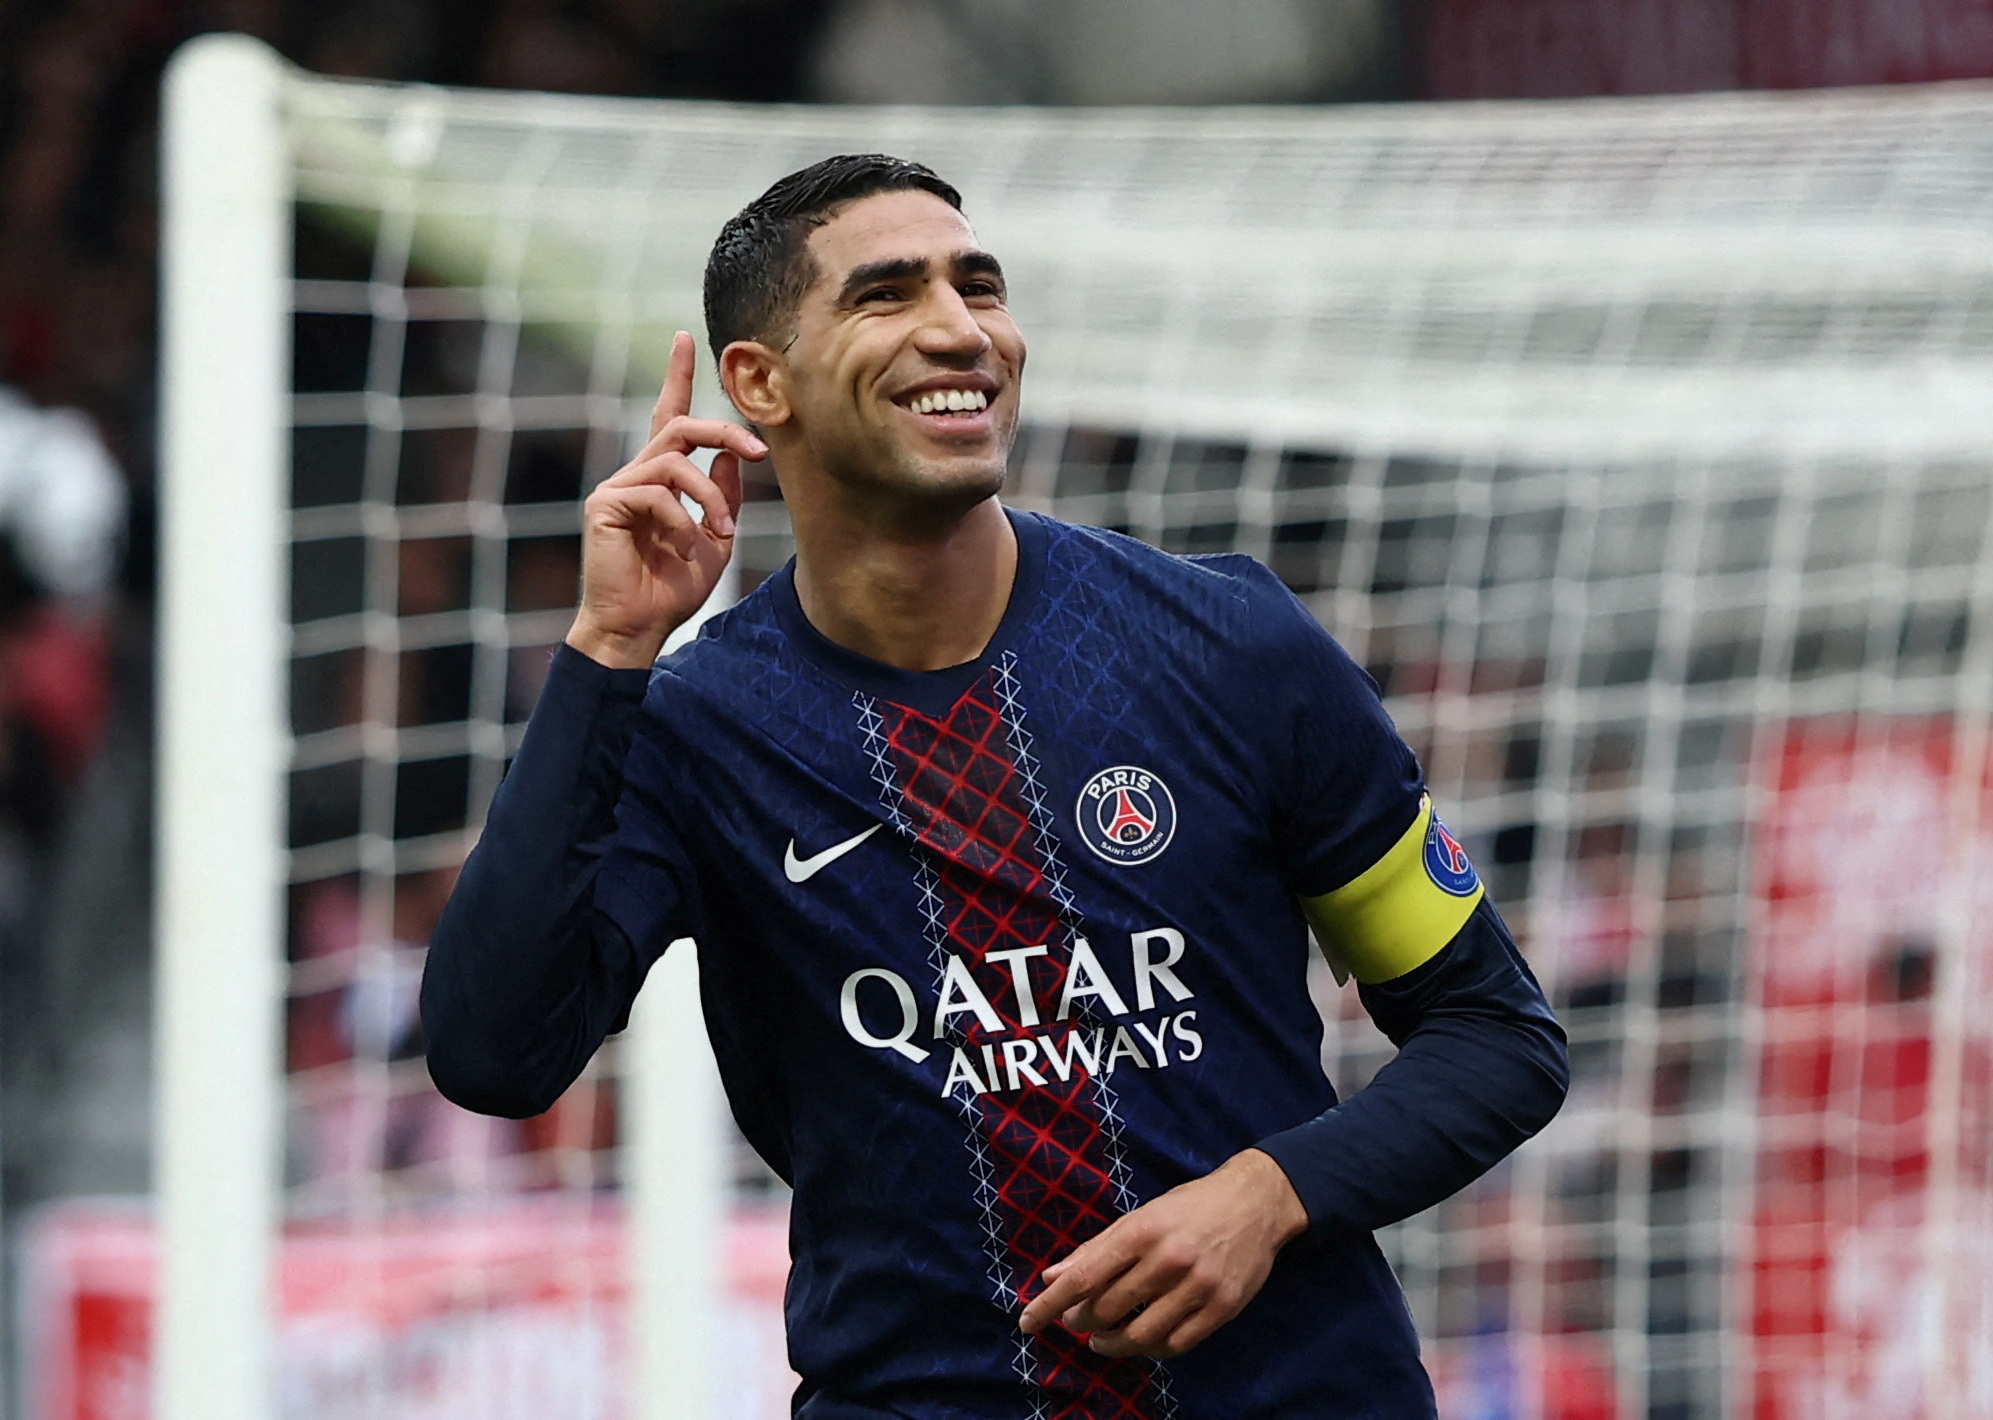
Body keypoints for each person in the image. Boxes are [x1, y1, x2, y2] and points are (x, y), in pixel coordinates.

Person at [422, 153, 1569, 1418]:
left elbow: (1492, 1034)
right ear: (759, 383)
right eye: (887, 294)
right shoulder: (696, 728)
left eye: (978, 286)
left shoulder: (1227, 646)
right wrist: (606, 653)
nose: (960, 328)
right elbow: (494, 1055)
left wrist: (1270, 1191)